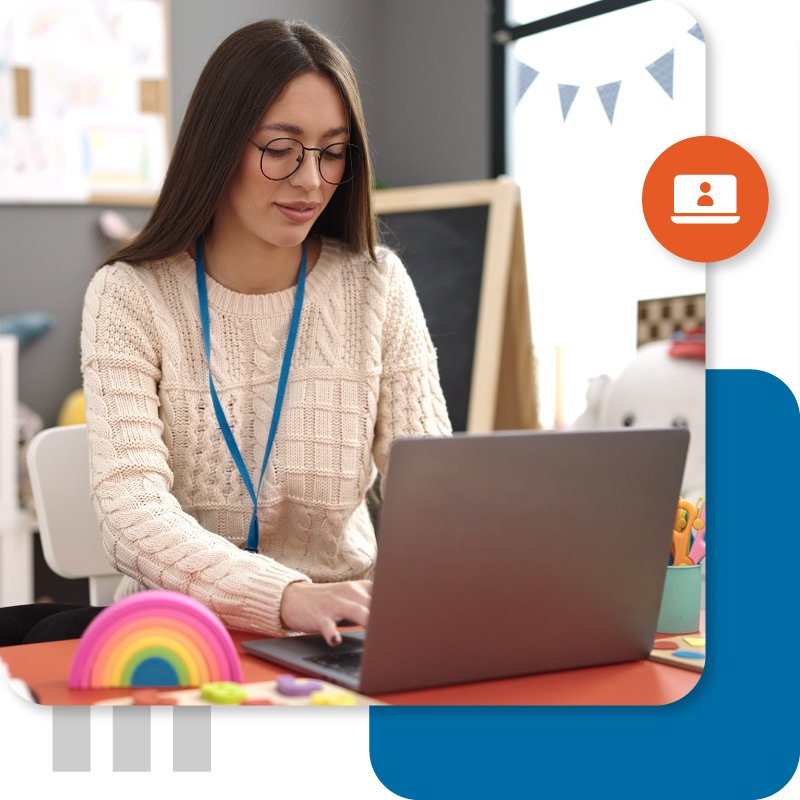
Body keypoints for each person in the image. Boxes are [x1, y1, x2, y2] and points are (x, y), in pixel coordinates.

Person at [0, 19, 450, 647]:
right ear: (221, 144)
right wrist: (286, 597)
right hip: (180, 638)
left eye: (332, 150)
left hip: (348, 635)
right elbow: (131, 513)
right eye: (280, 147)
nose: (311, 179)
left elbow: (435, 498)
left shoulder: (376, 286)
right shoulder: (131, 294)